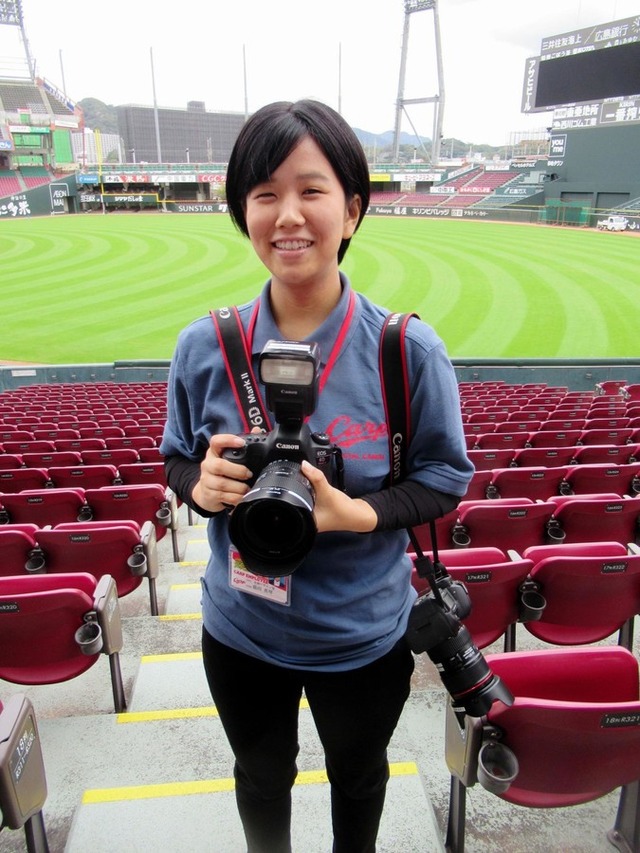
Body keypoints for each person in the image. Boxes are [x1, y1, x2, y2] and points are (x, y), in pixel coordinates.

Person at [160, 99, 474, 853]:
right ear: (243, 212)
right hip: (242, 628)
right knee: (260, 774)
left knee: (359, 777)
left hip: (363, 635)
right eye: (265, 194)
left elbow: (444, 477)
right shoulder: (204, 345)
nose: (288, 215)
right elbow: (175, 457)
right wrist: (198, 486)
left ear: (353, 209)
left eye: (311, 190)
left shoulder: (405, 350)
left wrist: (354, 514)